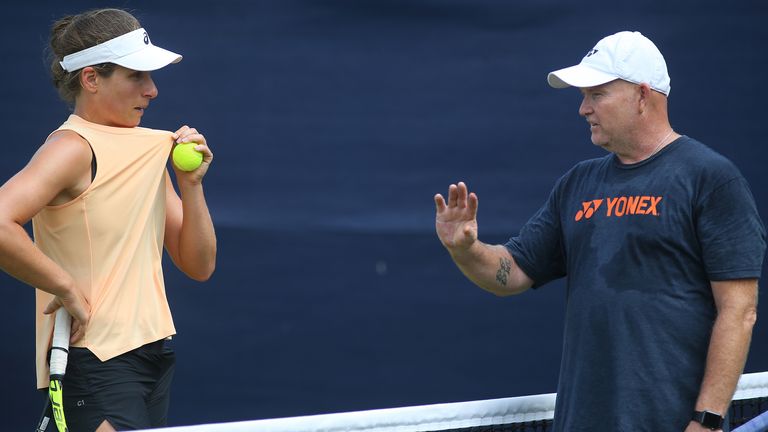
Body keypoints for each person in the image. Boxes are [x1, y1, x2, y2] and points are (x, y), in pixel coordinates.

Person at [434, 31, 765, 431]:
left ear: (642, 96)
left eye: (597, 94)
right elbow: (513, 272)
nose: (583, 109)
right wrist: (465, 250)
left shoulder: (711, 179)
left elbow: (739, 312)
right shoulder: (578, 183)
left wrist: (706, 421)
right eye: (583, 96)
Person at [0, 8, 216, 431]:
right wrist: (64, 286)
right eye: (136, 76)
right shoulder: (72, 147)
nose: (152, 90)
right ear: (91, 79)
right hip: (94, 357)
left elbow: (199, 265)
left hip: (154, 353)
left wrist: (191, 186)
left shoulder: (150, 150)